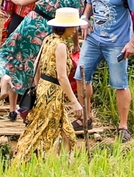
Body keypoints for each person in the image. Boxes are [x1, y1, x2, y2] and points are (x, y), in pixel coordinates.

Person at [0, 0, 85, 120]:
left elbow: (22, 1)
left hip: (30, 24)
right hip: (50, 31)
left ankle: (6, 79)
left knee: (9, 55)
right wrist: (75, 45)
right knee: (36, 69)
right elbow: (74, 26)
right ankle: (30, 110)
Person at [80, 0, 134, 141]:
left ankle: (123, 126)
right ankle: (86, 117)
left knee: (119, 83)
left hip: (118, 41)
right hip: (94, 38)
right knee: (81, 75)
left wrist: (133, 42)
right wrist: (85, 17)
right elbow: (90, 2)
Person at [14, 8, 88, 159]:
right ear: (65, 27)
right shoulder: (60, 46)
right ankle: (21, 162)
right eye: (73, 27)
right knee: (38, 133)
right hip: (51, 95)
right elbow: (62, 77)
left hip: (44, 89)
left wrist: (39, 86)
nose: (75, 30)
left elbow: (37, 66)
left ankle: (64, 167)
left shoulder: (49, 39)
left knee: (67, 134)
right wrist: (75, 102)